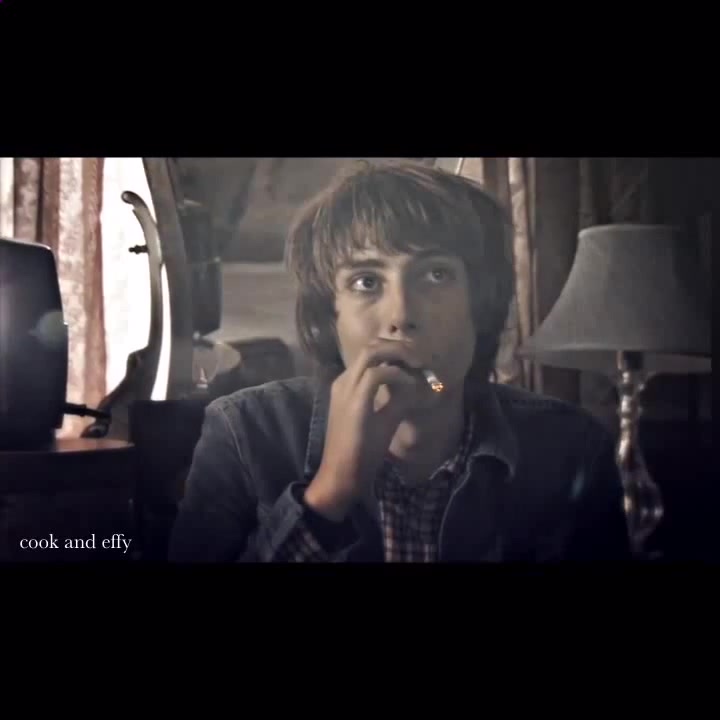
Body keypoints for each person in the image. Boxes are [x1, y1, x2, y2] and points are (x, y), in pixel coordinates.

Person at [168, 160, 631, 562]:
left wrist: (435, 389)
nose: (402, 316)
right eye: (366, 282)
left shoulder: (570, 448)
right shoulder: (243, 433)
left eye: (436, 275)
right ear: (329, 318)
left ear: (481, 307)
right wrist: (329, 494)